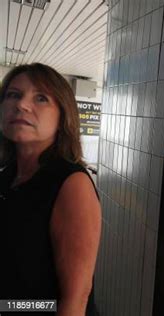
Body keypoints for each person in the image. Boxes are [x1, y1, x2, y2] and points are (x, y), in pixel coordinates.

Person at [0, 63, 101, 315]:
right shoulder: (7, 176)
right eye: (13, 94)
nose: (21, 104)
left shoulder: (71, 183)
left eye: (41, 98)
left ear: (62, 117)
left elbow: (76, 299)